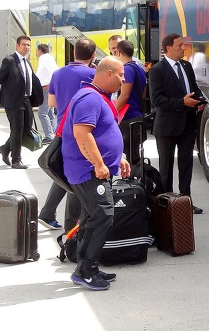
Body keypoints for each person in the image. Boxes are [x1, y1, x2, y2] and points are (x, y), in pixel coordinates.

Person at [62, 56, 130, 291]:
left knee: (93, 217)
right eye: (121, 75)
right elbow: (82, 134)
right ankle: (86, 270)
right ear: (109, 74)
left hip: (94, 170)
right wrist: (99, 165)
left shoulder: (98, 97)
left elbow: (104, 130)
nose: (123, 79)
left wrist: (118, 157)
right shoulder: (90, 98)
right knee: (102, 215)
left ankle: (86, 267)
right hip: (88, 171)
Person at [39, 38, 97, 229]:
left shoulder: (58, 73)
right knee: (77, 174)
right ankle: (73, 222)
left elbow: (53, 103)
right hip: (85, 128)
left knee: (67, 171)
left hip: (63, 129)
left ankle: (48, 212)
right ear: (93, 55)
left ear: (74, 53)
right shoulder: (94, 74)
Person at [148, 33, 204, 214]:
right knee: (166, 166)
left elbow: (193, 89)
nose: (184, 48)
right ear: (168, 48)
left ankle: (186, 201)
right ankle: (167, 203)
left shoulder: (186, 66)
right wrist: (182, 103)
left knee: (186, 165)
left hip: (187, 123)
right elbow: (157, 99)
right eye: (180, 45)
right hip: (166, 127)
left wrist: (199, 101)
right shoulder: (158, 70)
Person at [0, 35, 42, 170]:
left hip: (26, 100)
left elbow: (31, 81)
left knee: (26, 129)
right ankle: (16, 160)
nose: (27, 47)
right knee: (16, 130)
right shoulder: (10, 61)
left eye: (29, 45)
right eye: (24, 45)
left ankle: (5, 148)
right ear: (17, 46)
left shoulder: (27, 62)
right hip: (13, 101)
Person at [112, 39, 147, 161]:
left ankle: (130, 179)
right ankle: (137, 178)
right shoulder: (140, 69)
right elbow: (143, 94)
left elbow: (124, 95)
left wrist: (113, 112)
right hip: (138, 115)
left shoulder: (126, 69)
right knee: (135, 155)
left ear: (119, 52)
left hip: (128, 117)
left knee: (127, 155)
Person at [34, 43, 59, 139]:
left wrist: (49, 83)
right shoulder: (49, 58)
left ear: (40, 50)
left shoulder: (44, 58)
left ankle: (49, 135)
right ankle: (54, 133)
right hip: (47, 87)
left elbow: (53, 71)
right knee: (49, 113)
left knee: (42, 113)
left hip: (45, 88)